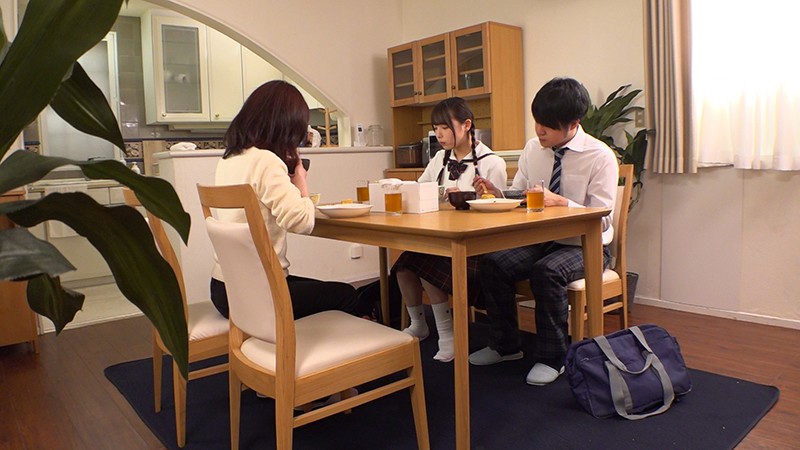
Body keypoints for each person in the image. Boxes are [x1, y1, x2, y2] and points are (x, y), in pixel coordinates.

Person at [469, 77, 618, 385]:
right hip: (541, 240)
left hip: (585, 245)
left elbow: (602, 218)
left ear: (573, 123)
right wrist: (498, 192)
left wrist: (563, 203)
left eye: (548, 126)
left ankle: (553, 357)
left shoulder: (599, 156)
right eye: (537, 122)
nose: (539, 131)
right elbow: (520, 193)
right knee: (493, 263)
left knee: (546, 271)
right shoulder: (533, 149)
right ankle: (505, 346)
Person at [209, 80, 366, 321]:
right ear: (287, 126)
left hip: (224, 289)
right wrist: (300, 179)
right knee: (347, 295)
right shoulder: (266, 161)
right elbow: (301, 222)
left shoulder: (229, 160)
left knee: (325, 289)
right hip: (258, 293)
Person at [393, 97, 507, 362]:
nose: (439, 134)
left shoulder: (492, 162)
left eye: (445, 127)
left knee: (425, 265)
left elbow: (501, 213)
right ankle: (419, 324)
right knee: (403, 266)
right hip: (442, 239)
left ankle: (447, 336)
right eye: (435, 128)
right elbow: (420, 190)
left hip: (477, 247)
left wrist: (483, 195)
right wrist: (441, 192)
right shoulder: (439, 159)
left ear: (466, 125)